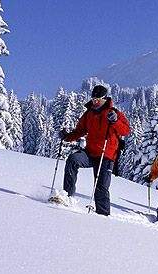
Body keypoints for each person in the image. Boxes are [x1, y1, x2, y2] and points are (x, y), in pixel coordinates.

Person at [50, 84, 131, 216]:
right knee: (73, 160)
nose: (94, 101)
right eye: (93, 99)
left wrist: (115, 121)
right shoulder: (89, 114)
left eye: (97, 99)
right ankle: (67, 197)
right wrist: (67, 137)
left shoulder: (114, 113)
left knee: (101, 187)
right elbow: (80, 130)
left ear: (104, 99)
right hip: (90, 153)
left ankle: (103, 215)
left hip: (107, 155)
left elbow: (126, 130)